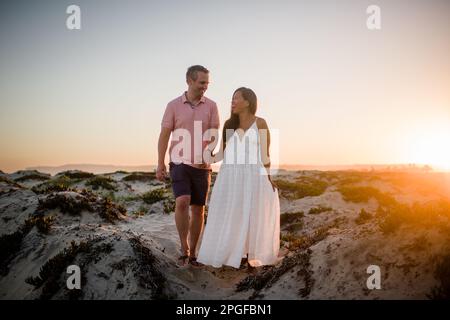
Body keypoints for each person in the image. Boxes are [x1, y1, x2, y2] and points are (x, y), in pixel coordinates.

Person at [197, 87, 280, 269]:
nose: (232, 102)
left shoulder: (260, 123)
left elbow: (266, 155)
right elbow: (221, 155)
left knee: (252, 214)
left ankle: (250, 257)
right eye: (232, 99)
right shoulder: (229, 125)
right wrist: (206, 154)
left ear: (248, 102)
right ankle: (233, 254)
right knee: (232, 213)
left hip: (252, 176)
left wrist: (268, 178)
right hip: (230, 177)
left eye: (236, 98)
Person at [156, 65, 220, 266]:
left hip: (202, 167)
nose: (205, 87)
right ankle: (184, 248)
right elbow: (164, 135)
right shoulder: (173, 105)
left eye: (207, 83)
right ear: (189, 81)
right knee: (182, 201)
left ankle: (193, 253)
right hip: (179, 162)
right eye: (202, 83)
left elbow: (214, 134)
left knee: (199, 209)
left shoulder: (211, 106)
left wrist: (207, 154)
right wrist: (160, 163)